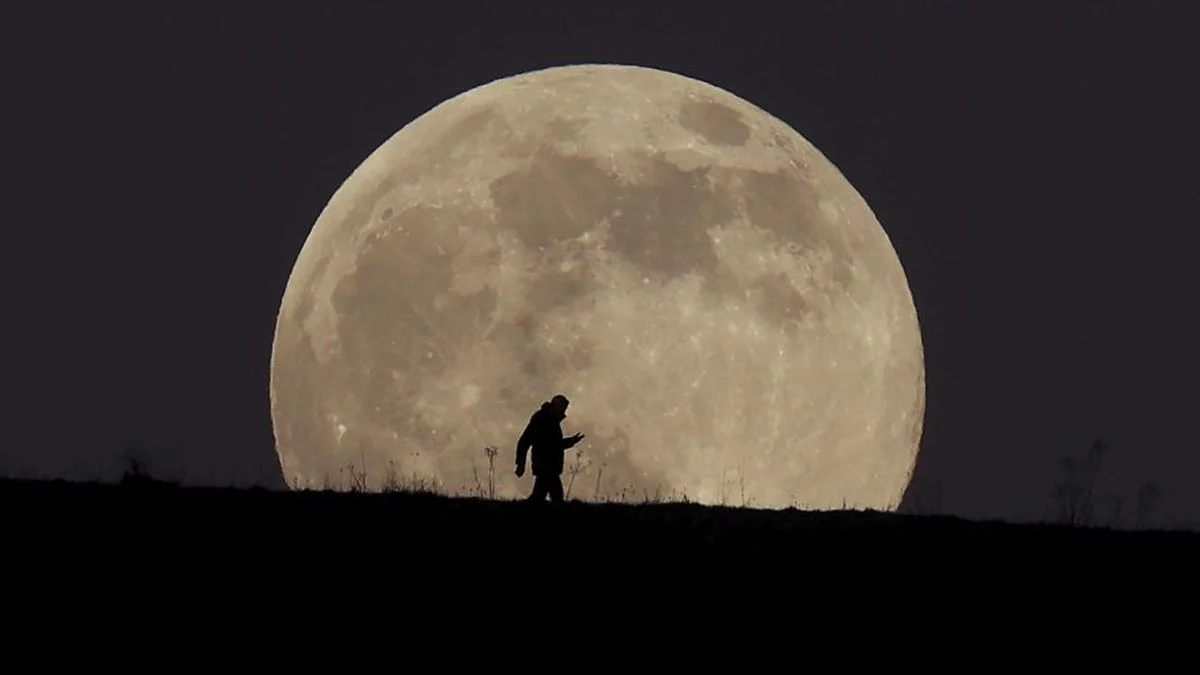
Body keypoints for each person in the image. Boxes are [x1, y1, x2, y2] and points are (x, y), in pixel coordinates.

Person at [514, 394, 585, 503]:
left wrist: (571, 441)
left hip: (548, 467)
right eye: (563, 408)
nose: (564, 411)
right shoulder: (542, 419)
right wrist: (520, 463)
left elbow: (553, 444)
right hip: (545, 466)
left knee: (543, 497)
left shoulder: (550, 420)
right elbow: (527, 441)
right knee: (551, 498)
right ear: (556, 406)